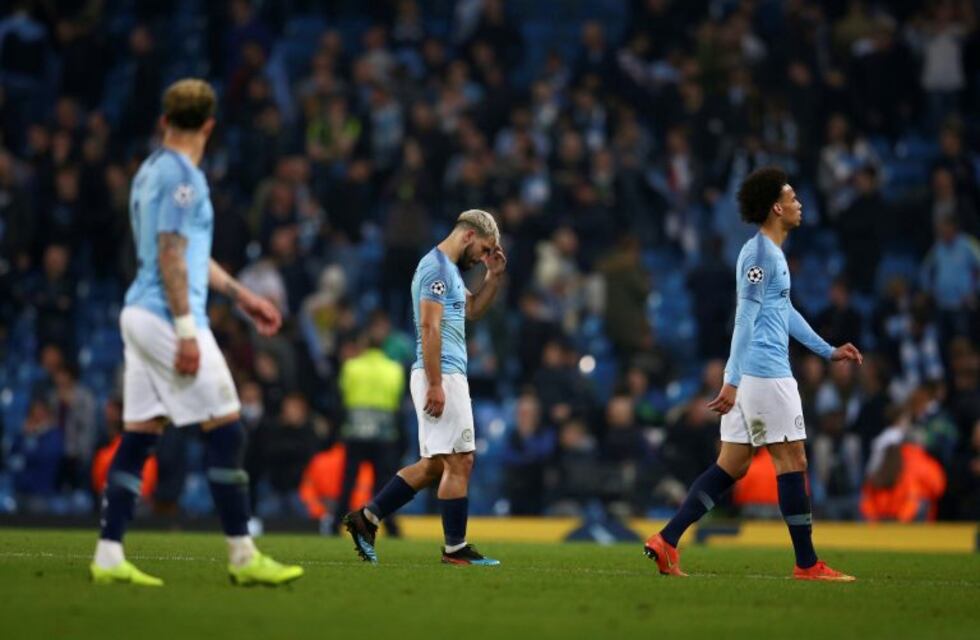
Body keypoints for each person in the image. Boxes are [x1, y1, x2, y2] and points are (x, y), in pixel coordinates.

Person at [89, 78, 302, 587]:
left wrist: (242, 295)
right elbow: (170, 255)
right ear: (209, 125)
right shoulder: (186, 177)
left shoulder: (148, 172)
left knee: (140, 437)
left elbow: (185, 251)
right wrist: (187, 330)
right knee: (227, 429)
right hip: (167, 317)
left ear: (165, 121)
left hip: (138, 314)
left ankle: (109, 553)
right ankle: (243, 556)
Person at [643, 167, 863, 581]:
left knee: (732, 465)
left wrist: (828, 350)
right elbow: (745, 317)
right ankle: (806, 563)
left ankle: (667, 540)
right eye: (793, 197)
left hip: (752, 377)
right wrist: (732, 379)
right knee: (792, 459)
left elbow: (785, 312)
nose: (800, 204)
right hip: (763, 375)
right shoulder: (760, 255)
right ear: (777, 208)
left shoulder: (771, 255)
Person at [342, 209, 506, 565]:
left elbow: (472, 309)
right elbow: (430, 329)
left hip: (444, 373)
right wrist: (435, 384)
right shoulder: (435, 269)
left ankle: (367, 518)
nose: (481, 257)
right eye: (483, 249)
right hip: (441, 373)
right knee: (461, 460)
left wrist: (492, 276)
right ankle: (455, 549)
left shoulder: (448, 272)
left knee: (434, 466)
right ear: (467, 236)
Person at [333, 318, 406, 535]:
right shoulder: (395, 370)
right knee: (384, 484)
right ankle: (391, 526)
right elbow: (396, 401)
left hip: (356, 432)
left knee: (349, 480)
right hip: (384, 434)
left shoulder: (350, 367)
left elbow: (344, 396)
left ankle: (335, 523)